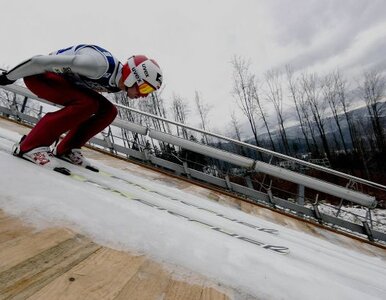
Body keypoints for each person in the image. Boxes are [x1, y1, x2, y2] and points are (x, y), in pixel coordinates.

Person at [0, 44, 163, 171]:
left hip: (63, 81)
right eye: (145, 89)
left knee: (109, 111)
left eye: (149, 92)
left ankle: (67, 148)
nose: (144, 96)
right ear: (133, 76)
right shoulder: (97, 66)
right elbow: (39, 61)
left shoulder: (117, 83)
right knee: (88, 104)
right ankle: (30, 145)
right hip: (39, 76)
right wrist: (8, 77)